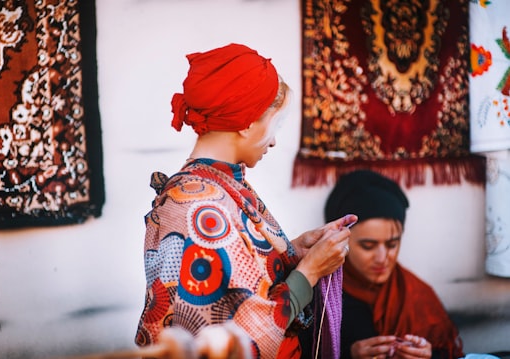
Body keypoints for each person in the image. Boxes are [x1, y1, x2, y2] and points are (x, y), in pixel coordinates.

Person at [134, 43, 357, 359]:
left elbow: (236, 273)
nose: (275, 140)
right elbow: (235, 340)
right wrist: (309, 271)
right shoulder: (197, 208)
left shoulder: (213, 185)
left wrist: (294, 251)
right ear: (247, 121)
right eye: (275, 125)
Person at [312, 169, 464, 359]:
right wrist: (349, 355)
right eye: (368, 246)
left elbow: (448, 354)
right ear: (341, 241)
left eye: (392, 244)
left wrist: (428, 356)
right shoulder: (320, 297)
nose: (382, 258)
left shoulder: (417, 295)